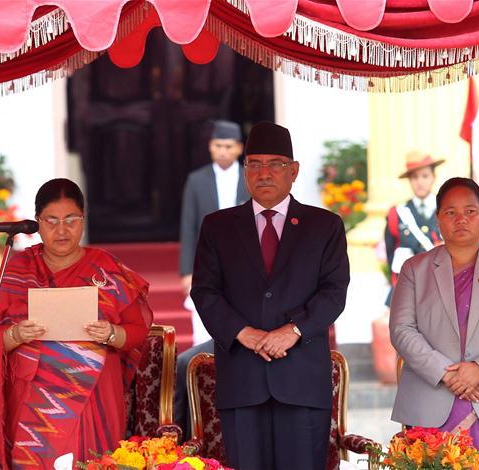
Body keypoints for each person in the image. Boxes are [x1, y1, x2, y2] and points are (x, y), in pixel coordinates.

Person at [190, 121, 349, 470]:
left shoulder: (324, 226)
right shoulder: (218, 226)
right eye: (255, 164)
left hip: (302, 380)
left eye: (275, 164)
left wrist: (293, 330)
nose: (264, 173)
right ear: (245, 170)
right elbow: (204, 291)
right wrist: (242, 332)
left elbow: (334, 291)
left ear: (294, 171)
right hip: (243, 378)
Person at [0, 178, 153, 468]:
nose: (62, 230)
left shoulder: (106, 268)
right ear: (37, 222)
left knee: (93, 462)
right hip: (34, 404)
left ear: (83, 220)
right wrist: (15, 335)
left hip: (94, 396)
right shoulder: (19, 269)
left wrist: (111, 333)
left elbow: (138, 332)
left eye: (71, 220)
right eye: (51, 221)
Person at [390, 177, 479, 469]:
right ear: (438, 219)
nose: (461, 219)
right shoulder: (415, 270)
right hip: (430, 402)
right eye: (450, 212)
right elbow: (401, 330)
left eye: (470, 211)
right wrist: (448, 375)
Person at [174, 120, 249, 436]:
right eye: (218, 146)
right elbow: (188, 225)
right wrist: (186, 271)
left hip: (244, 267)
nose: (223, 151)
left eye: (229, 146)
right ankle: (200, 392)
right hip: (207, 265)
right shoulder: (197, 180)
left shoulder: (251, 178)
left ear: (239, 148)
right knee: (201, 330)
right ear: (210, 147)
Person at [383, 150, 444, 299]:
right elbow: (391, 253)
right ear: (409, 180)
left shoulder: (448, 209)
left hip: (442, 288)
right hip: (407, 289)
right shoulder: (397, 213)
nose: (420, 182)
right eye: (415, 177)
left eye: (425, 176)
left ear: (433, 177)